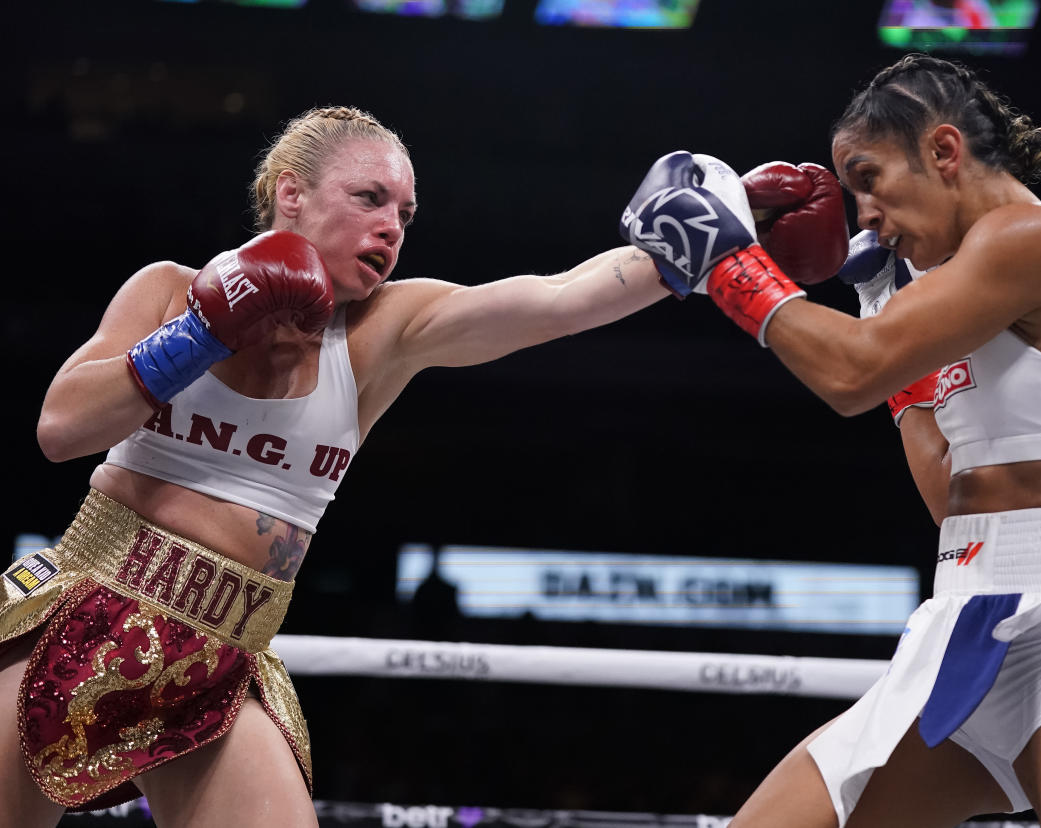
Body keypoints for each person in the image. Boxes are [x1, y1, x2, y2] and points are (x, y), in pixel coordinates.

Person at [0, 105, 674, 827]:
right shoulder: (168, 290)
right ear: (292, 193)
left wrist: (704, 250)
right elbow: (61, 428)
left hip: (221, 657)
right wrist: (201, 334)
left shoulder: (386, 330)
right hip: (89, 603)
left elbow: (558, 299)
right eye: (370, 199)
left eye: (406, 214)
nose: (393, 226)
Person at [620, 54, 1041, 827]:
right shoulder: (966, 292)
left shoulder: (1040, 239)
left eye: (869, 178)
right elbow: (951, 492)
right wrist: (877, 303)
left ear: (943, 152)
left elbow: (849, 376)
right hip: (966, 619)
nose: (861, 212)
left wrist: (731, 263)